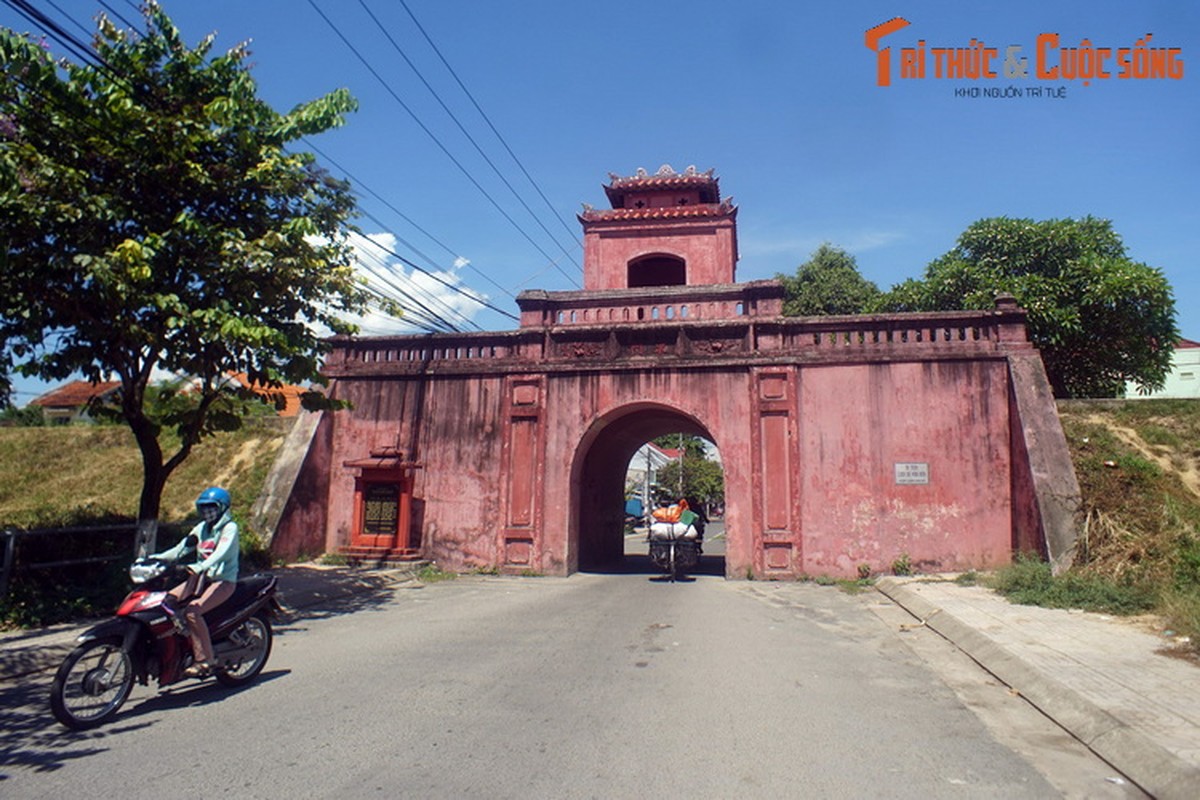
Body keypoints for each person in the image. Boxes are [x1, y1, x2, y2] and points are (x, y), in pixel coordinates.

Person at [153, 486, 240, 677]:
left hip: (222, 581)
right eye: (203, 507)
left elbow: (221, 552)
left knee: (193, 611)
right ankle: (182, 640)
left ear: (222, 508)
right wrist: (156, 558)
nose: (207, 511)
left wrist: (201, 566)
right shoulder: (201, 528)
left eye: (212, 507)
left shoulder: (229, 528)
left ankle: (205, 660)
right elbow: (181, 549)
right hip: (200, 579)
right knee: (166, 601)